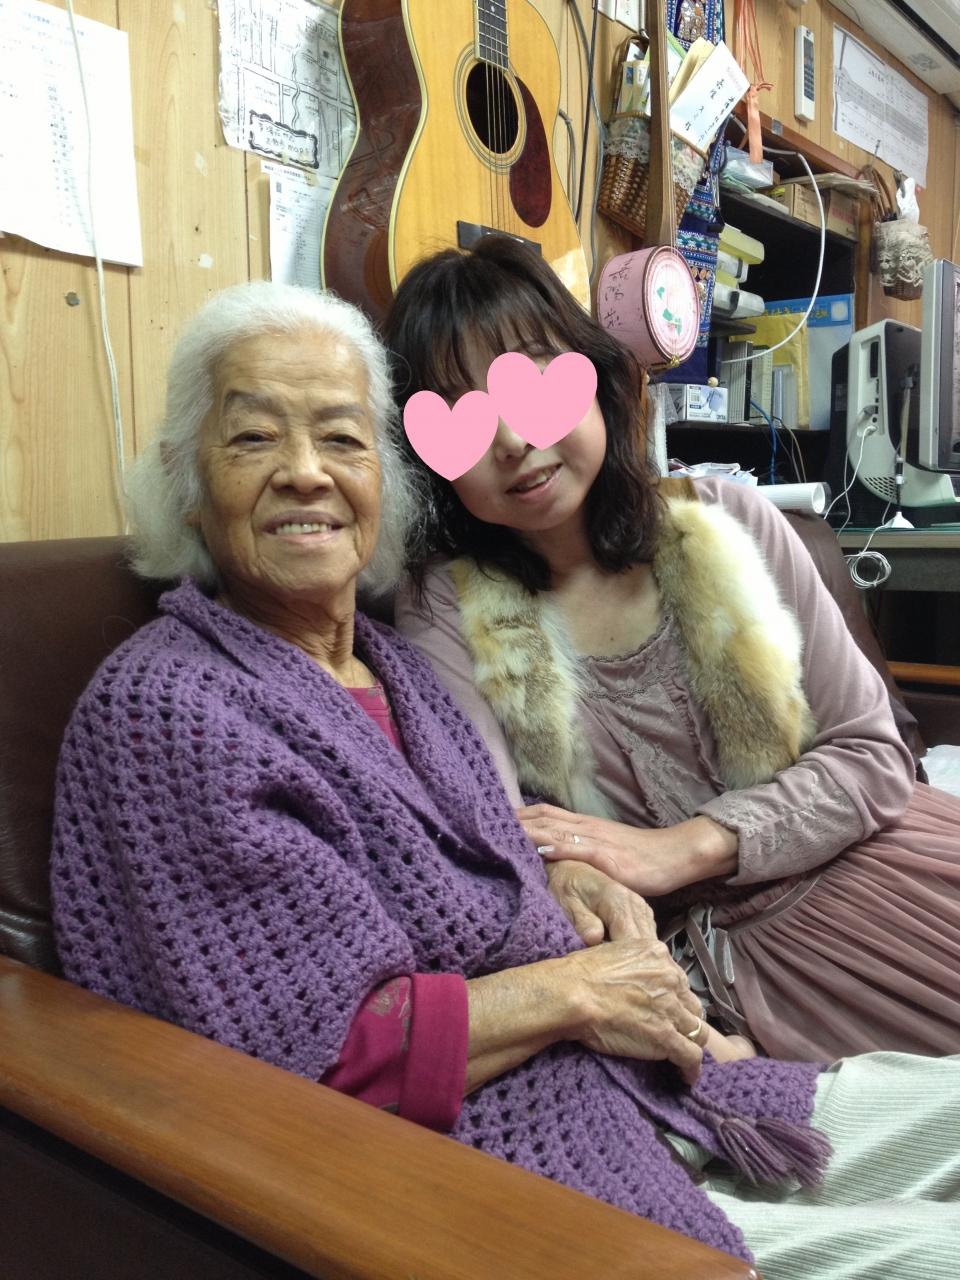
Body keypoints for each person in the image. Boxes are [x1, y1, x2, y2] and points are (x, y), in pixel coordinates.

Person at [51, 282, 959, 1279]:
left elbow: (494, 864)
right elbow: (303, 1046)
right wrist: (575, 990)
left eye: (344, 439)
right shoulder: (174, 707)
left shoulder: (389, 672)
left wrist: (572, 884)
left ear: (386, 482)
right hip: (531, 1161)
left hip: (659, 1090)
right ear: (185, 479)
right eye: (255, 438)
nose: (307, 472)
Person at [384, 234, 960, 1065]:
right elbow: (501, 840)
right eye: (462, 413)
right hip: (732, 974)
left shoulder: (734, 521)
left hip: (889, 866)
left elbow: (872, 755)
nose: (509, 438)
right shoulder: (443, 610)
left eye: (532, 379)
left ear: (595, 377)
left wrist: (681, 847)